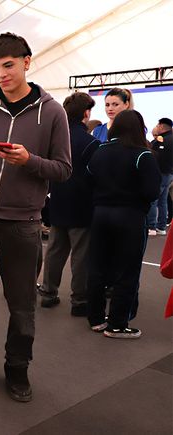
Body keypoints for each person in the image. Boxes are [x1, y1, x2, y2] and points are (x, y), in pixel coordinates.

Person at [0, 32, 71, 402]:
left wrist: (29, 161)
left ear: (27, 61)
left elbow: (63, 169)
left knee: (22, 305)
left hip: (23, 224)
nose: (1, 74)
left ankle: (17, 368)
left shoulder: (52, 111)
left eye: (8, 65)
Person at [85, 110, 160, 338]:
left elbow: (88, 179)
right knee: (127, 270)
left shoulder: (99, 150)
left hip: (100, 214)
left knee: (97, 267)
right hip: (130, 216)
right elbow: (152, 191)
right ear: (140, 128)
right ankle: (117, 324)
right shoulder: (142, 155)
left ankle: (96, 319)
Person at [39, 92, 100, 316]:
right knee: (81, 255)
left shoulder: (55, 139)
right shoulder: (92, 143)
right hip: (83, 204)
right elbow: (96, 176)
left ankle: (48, 292)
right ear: (86, 113)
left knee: (55, 251)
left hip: (57, 201)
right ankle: (79, 300)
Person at [147, 117, 173, 236]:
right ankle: (161, 227)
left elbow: (156, 156)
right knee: (163, 201)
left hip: (161, 173)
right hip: (169, 174)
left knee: (154, 200)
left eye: (157, 125)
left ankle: (151, 226)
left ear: (162, 127)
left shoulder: (161, 141)